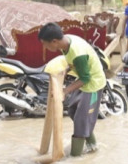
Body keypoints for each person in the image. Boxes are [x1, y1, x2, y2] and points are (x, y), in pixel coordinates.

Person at [38, 22, 106, 156]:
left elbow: (85, 78)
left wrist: (64, 91)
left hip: (93, 84)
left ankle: (76, 159)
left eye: (45, 44)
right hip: (84, 80)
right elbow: (74, 64)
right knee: (73, 110)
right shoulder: (66, 41)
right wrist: (67, 69)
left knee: (81, 120)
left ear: (54, 41)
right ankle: (93, 146)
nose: (44, 47)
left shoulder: (77, 53)